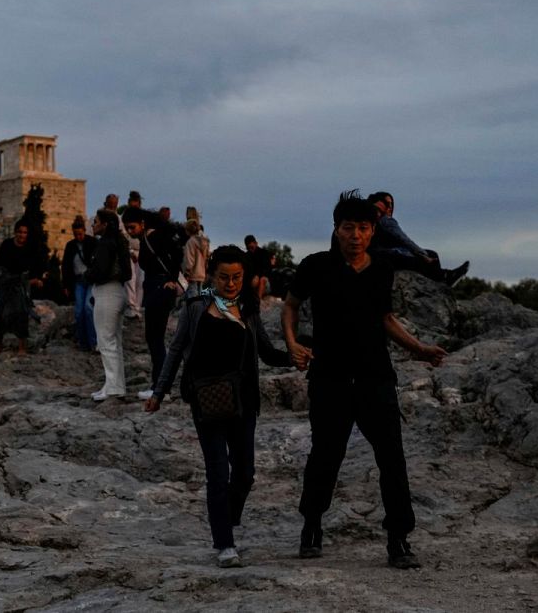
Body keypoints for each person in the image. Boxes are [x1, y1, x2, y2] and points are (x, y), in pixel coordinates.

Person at [282, 191, 447, 569]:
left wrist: (419, 348)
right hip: (330, 377)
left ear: (373, 231)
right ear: (336, 229)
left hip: (376, 376)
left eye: (363, 228)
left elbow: (385, 318)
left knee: (392, 457)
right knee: (326, 454)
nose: (355, 235)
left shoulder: (382, 268)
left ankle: (398, 539)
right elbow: (290, 305)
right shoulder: (316, 266)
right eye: (348, 227)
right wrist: (292, 343)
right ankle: (311, 525)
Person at [145, 245, 292, 567]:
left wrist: (295, 356)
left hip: (244, 401)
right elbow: (176, 349)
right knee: (217, 473)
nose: (231, 284)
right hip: (206, 399)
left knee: (245, 473)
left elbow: (266, 352)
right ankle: (224, 543)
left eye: (237, 277)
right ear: (212, 275)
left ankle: (229, 516)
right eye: (224, 277)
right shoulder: (196, 306)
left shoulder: (249, 308)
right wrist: (159, 392)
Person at [122, 207, 184, 398]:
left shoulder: (153, 237)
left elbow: (177, 254)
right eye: (127, 229)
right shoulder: (151, 237)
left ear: (142, 223)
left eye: (132, 227)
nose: (130, 232)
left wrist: (172, 279)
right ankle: (160, 386)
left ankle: (161, 388)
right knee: (155, 339)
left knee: (155, 339)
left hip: (159, 289)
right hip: (156, 289)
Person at [367, 191, 470, 286]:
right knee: (422, 259)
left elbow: (401, 241)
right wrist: (422, 254)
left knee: (431, 255)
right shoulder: (384, 221)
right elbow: (404, 240)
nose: (389, 208)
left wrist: (420, 253)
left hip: (387, 253)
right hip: (383, 255)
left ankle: (441, 281)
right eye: (386, 204)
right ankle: (444, 278)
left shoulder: (380, 221)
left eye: (390, 205)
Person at [87, 209, 132, 400]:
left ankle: (113, 386)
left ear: (105, 224)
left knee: (106, 341)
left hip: (107, 293)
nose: (92, 224)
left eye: (96, 221)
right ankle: (115, 384)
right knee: (115, 341)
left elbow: (100, 271)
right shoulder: (120, 242)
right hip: (119, 292)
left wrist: (86, 275)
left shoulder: (106, 244)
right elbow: (128, 273)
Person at [0, 222, 46, 356]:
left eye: (25, 233)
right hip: (5, 282)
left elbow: (36, 265)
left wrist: (36, 279)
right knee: (1, 314)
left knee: (22, 312)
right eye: (20, 232)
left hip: (20, 283)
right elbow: (0, 263)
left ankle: (22, 347)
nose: (22, 235)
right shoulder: (7, 245)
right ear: (15, 232)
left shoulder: (30, 248)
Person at [62, 216, 100, 352]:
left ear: (84, 231)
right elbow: (66, 266)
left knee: (88, 309)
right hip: (78, 281)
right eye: (76, 234)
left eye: (80, 233)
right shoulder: (70, 246)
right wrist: (66, 285)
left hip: (90, 281)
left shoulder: (93, 242)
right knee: (79, 312)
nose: (78, 236)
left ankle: (94, 342)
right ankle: (83, 342)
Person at [122, 191, 145, 319]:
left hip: (141, 251)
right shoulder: (124, 217)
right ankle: (131, 306)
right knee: (130, 279)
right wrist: (130, 252)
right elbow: (124, 235)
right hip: (129, 251)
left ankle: (137, 307)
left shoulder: (143, 218)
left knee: (141, 281)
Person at [182, 217, 211, 297]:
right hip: (201, 274)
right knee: (199, 296)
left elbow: (189, 259)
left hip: (192, 275)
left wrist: (187, 273)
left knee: (192, 297)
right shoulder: (204, 242)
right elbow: (207, 257)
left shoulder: (190, 242)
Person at [243, 235, 273, 300]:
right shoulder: (246, 256)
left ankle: (258, 301)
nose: (250, 250)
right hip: (251, 284)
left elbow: (268, 269)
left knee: (263, 279)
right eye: (248, 248)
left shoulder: (264, 253)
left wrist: (257, 276)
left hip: (264, 284)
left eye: (252, 247)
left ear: (256, 243)